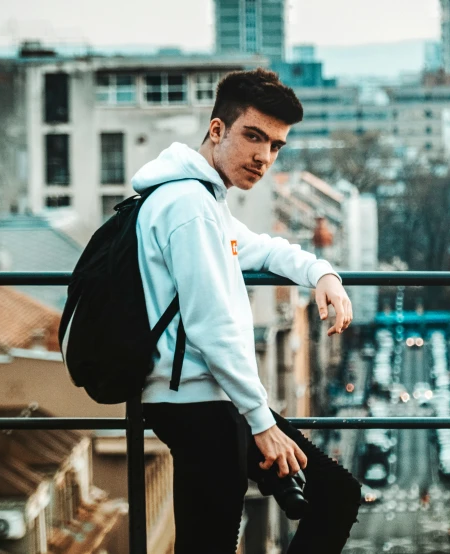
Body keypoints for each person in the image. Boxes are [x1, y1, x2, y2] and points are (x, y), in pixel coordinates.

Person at [133, 68, 361, 553]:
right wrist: (262, 422)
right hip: (196, 405)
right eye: (253, 137)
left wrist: (324, 275)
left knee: (322, 499)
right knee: (332, 496)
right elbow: (211, 326)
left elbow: (264, 250)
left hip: (206, 400)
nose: (264, 156)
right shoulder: (187, 206)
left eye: (276, 146)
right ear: (217, 130)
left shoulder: (201, 199)